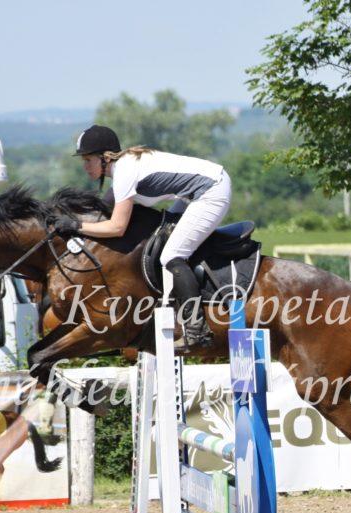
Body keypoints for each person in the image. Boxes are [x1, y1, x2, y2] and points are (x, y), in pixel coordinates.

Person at [58, 125, 231, 351]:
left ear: (105, 158)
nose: (85, 166)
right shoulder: (123, 168)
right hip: (194, 192)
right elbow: (102, 208)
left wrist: (77, 226)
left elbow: (117, 227)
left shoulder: (124, 172)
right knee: (163, 238)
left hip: (211, 191)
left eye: (88, 160)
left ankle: (197, 330)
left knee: (171, 255)